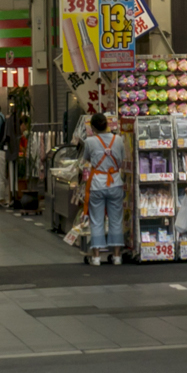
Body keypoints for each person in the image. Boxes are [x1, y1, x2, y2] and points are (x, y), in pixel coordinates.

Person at [79, 112, 128, 265]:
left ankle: (96, 256)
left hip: (97, 184)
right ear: (107, 125)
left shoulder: (89, 141)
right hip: (115, 182)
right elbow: (122, 159)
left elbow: (87, 158)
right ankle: (117, 256)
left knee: (96, 220)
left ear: (93, 127)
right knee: (116, 220)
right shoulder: (118, 139)